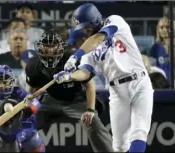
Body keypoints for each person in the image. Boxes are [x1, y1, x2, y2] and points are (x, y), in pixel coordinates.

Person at [53, 3, 154, 152]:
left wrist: (75, 56)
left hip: (139, 82)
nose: (85, 30)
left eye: (86, 26)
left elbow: (98, 39)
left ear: (94, 20)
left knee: (139, 132)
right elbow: (85, 73)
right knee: (119, 146)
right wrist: (69, 76)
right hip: (117, 90)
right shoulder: (88, 50)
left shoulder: (114, 20)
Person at [25, 29, 113, 152]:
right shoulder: (33, 65)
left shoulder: (73, 59)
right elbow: (34, 89)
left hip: (76, 100)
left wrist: (90, 110)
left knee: (93, 121)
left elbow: (89, 85)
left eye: (54, 47)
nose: (50, 51)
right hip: (51, 100)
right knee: (25, 120)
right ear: (40, 48)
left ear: (61, 47)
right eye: (46, 47)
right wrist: (29, 103)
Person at [148, 17, 171, 81]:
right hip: (161, 82)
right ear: (158, 30)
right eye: (161, 27)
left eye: (167, 27)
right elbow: (150, 63)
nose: (165, 30)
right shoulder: (156, 47)